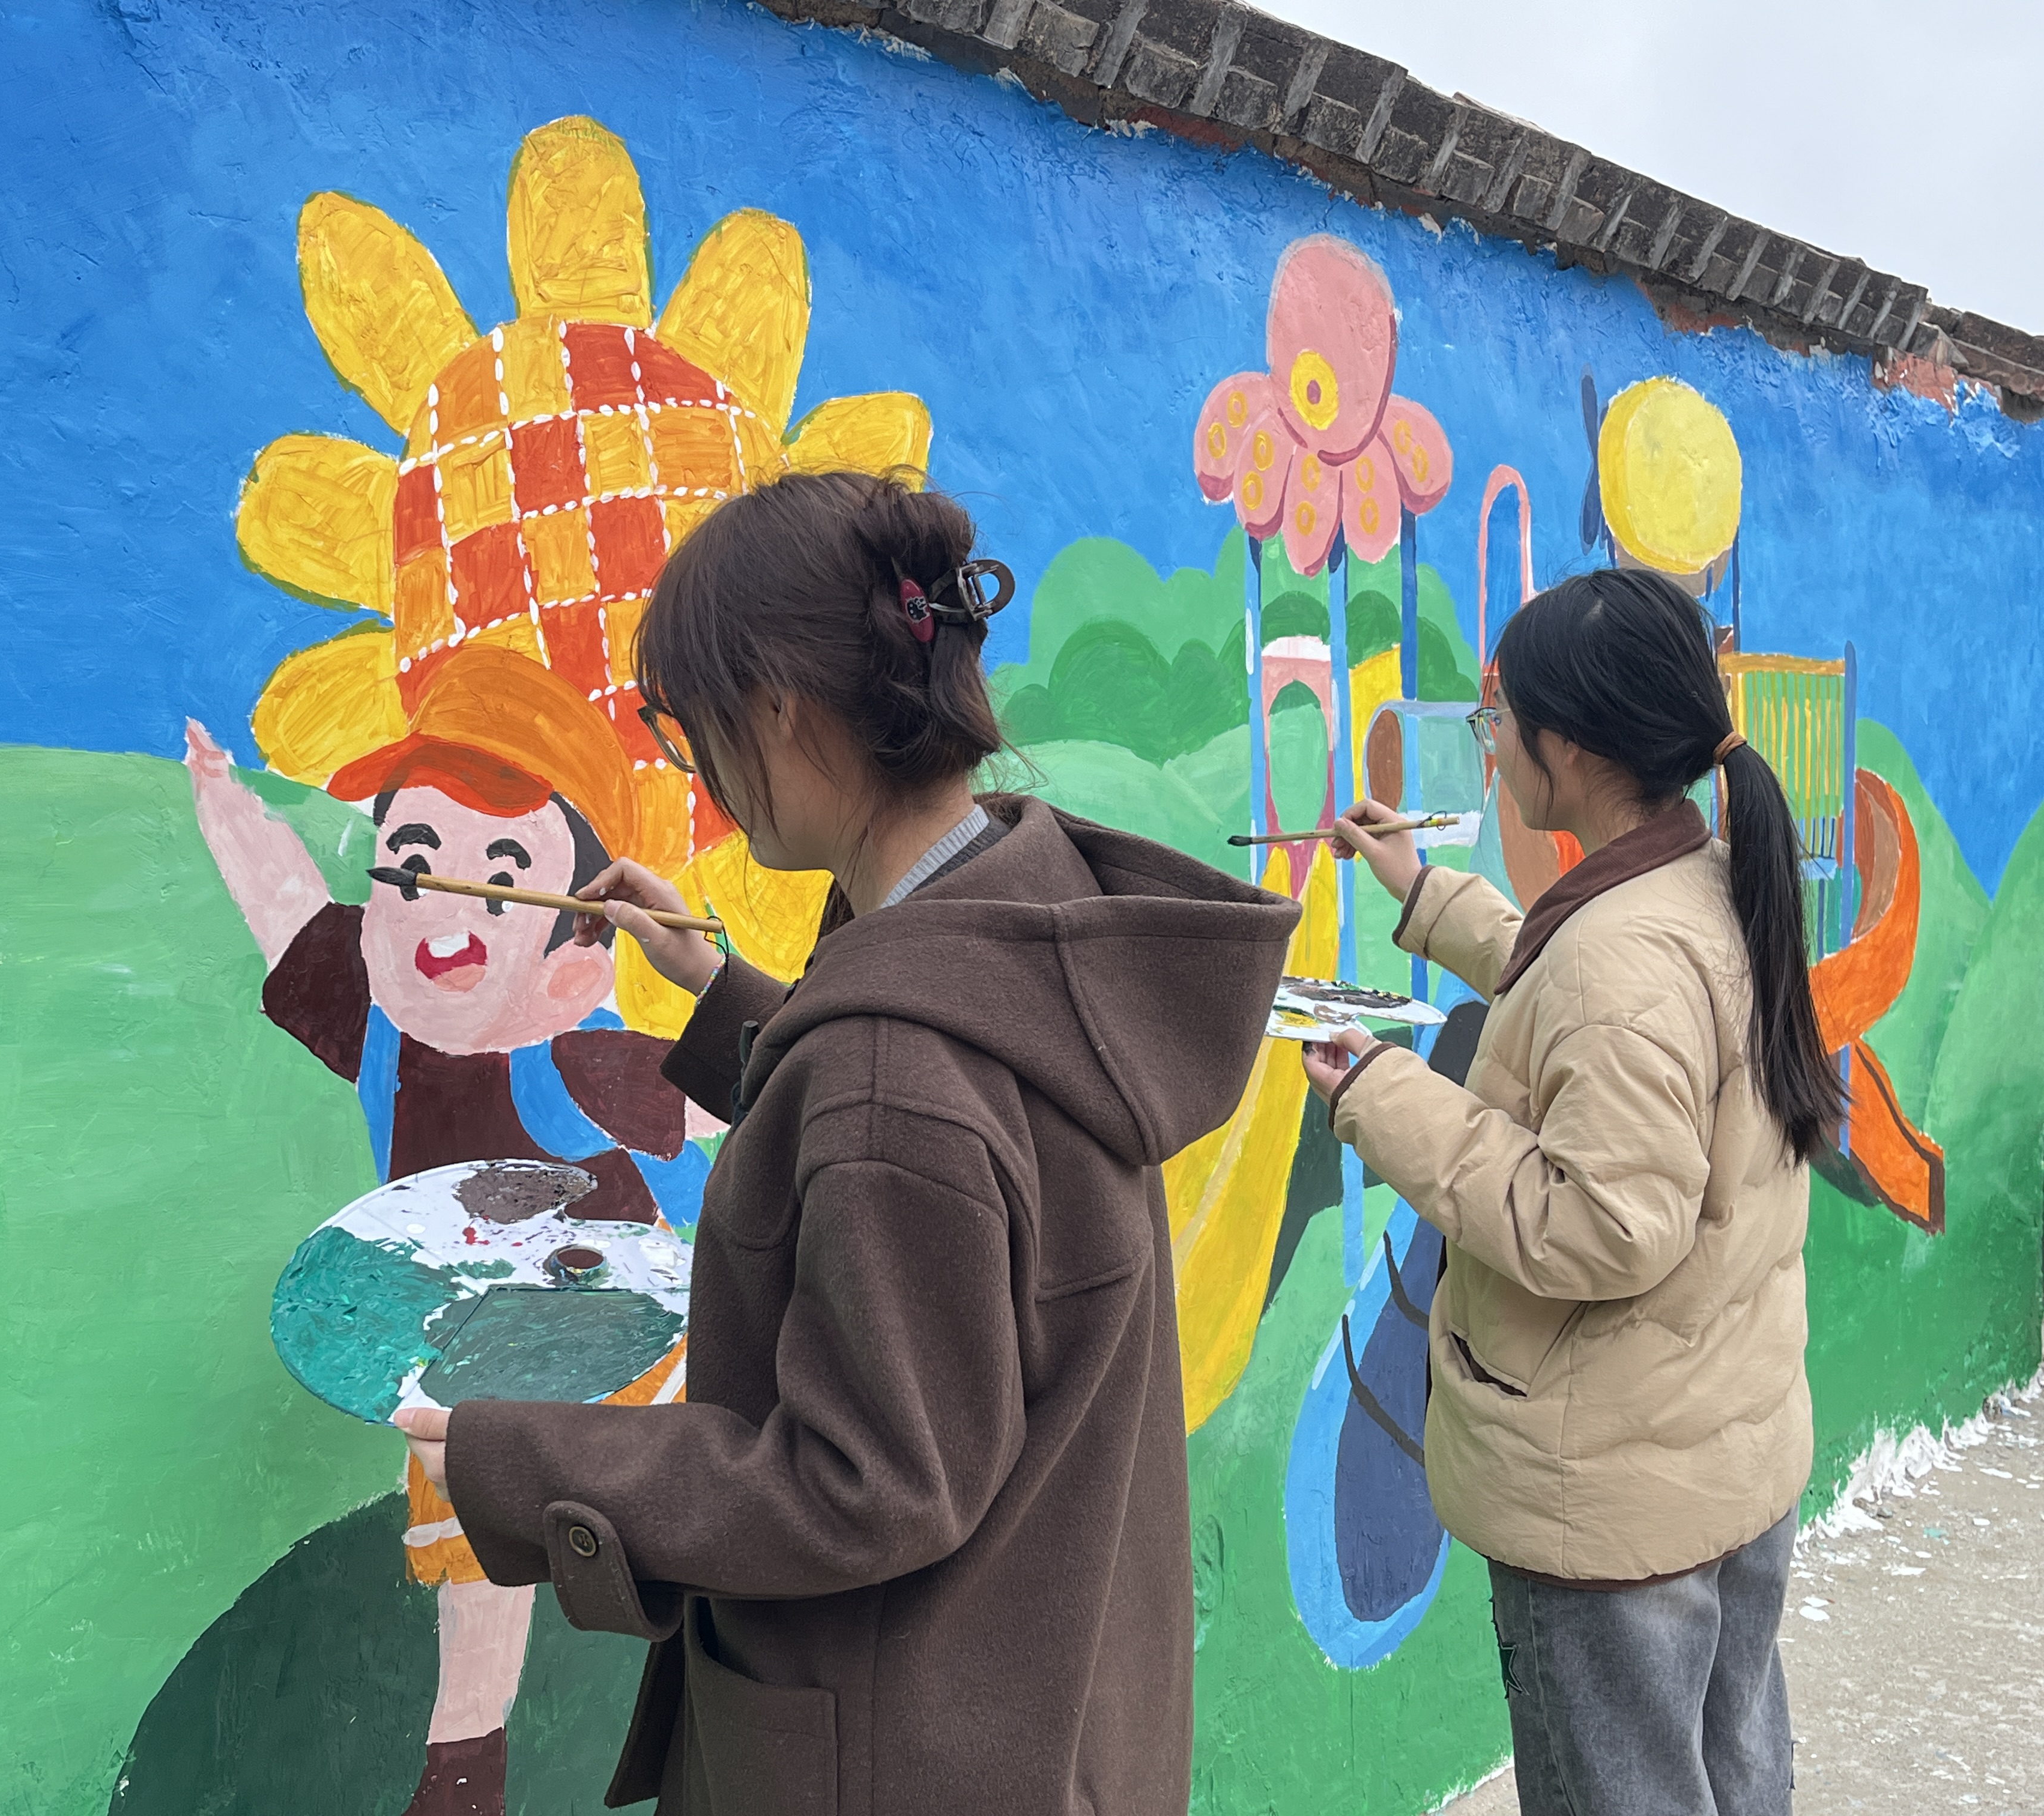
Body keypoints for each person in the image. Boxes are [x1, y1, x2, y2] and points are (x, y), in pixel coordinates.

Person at [394, 469, 1300, 1815]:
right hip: (1046, 1712)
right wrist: (720, 990)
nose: (700, 775)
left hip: (898, 1755)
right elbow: (939, 1143)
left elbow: (865, 1481)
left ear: (777, 705)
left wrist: (510, 1465)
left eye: (690, 728)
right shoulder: (1036, 929)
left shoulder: (894, 1074)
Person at [1303, 568, 1842, 1816]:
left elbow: (1601, 1225)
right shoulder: (1705, 878)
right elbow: (1586, 1006)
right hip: (1718, 1458)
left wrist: (1380, 1091)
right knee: (1733, 1781)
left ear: (1575, 749)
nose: (1490, 743)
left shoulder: (1624, 958)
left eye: (1502, 718)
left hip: (1615, 1510)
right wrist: (1424, 894)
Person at [186, 639, 718, 1816]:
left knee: (659, 1519)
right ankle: (462, 1767)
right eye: (414, 868)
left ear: (578, 934)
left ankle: (701, 1687)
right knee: (471, 1547)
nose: (444, 917)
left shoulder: (578, 1065)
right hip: (470, 1348)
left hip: (624, 1352)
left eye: (502, 882)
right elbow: (286, 913)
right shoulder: (378, 1023)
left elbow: (743, 1094)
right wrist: (225, 804)